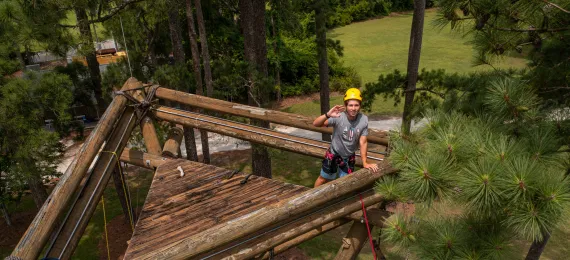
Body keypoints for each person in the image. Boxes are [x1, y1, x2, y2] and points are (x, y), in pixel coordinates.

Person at [312, 88, 379, 187]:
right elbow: (316, 124)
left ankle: (340, 201)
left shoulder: (363, 120)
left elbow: (363, 142)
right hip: (334, 153)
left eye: (356, 105)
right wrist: (328, 115)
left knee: (345, 183)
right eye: (350, 105)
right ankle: (313, 199)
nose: (353, 108)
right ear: (346, 105)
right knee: (323, 179)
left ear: (360, 106)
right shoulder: (339, 117)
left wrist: (365, 162)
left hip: (348, 156)